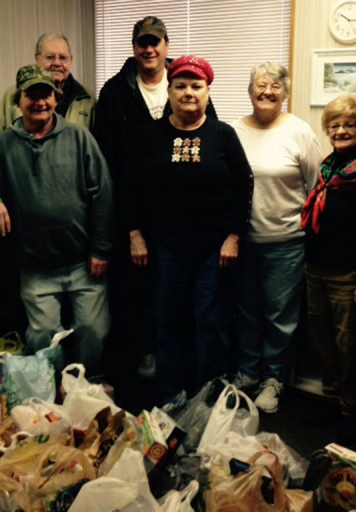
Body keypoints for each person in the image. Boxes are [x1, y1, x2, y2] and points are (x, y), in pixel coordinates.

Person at [0, 65, 113, 377]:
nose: (40, 102)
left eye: (46, 94)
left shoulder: (79, 138)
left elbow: (102, 194)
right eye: (31, 95)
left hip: (84, 263)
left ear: (55, 98)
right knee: (42, 338)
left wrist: (101, 249)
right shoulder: (2, 145)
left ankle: (88, 391)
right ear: (18, 100)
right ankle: (51, 395)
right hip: (37, 268)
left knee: (93, 332)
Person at [94, 16, 216, 392]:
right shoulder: (114, 92)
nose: (149, 49)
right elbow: (106, 157)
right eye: (142, 42)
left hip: (179, 216)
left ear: (166, 45)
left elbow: (209, 144)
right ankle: (144, 361)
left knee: (180, 295)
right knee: (135, 294)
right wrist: (127, 222)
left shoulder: (185, 81)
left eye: (156, 42)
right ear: (134, 47)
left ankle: (186, 369)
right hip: (131, 210)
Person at [123, 56, 253, 403]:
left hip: (214, 249)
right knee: (169, 322)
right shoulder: (150, 135)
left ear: (208, 92)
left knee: (210, 324)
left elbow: (244, 186)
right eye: (180, 86)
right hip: (165, 247)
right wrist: (135, 233)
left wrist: (234, 236)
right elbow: (130, 187)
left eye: (196, 86)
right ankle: (171, 396)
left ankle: (209, 398)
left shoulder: (223, 135)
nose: (188, 93)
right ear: (169, 91)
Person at [300, 93, 356, 444]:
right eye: (335, 124)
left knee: (352, 347)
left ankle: (353, 411)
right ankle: (332, 400)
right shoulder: (329, 167)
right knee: (323, 342)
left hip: (351, 277)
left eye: (349, 124)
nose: (340, 130)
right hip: (317, 269)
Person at [231, 62, 322, 414]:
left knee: (280, 317)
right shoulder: (233, 130)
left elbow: (317, 189)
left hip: (286, 243)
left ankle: (274, 379)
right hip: (243, 241)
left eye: (275, 86)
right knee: (247, 313)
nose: (267, 91)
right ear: (250, 90)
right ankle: (249, 373)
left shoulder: (299, 132)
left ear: (285, 92)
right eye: (260, 85)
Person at [0, 33, 95, 135]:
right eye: (50, 57)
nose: (57, 63)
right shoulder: (13, 94)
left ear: (71, 61)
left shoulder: (88, 100)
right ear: (37, 59)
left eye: (63, 58)